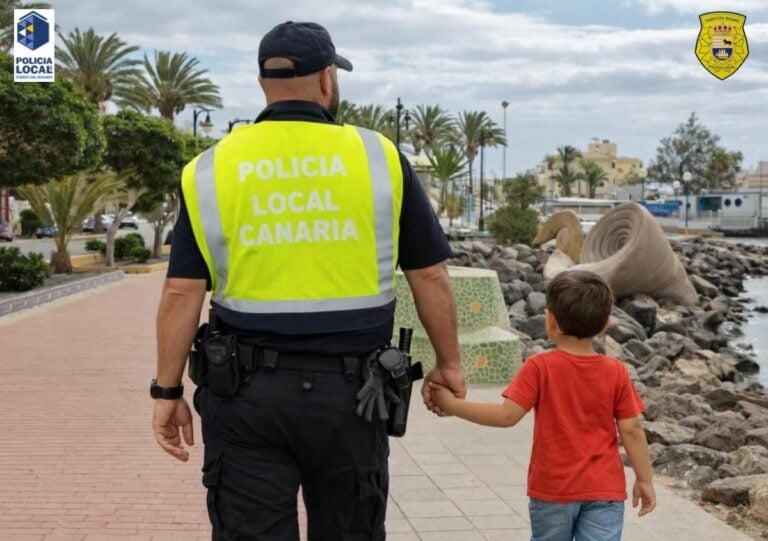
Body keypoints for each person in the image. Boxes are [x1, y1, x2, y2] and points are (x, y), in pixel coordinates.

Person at [150, 20, 466, 540]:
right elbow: (429, 276)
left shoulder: (210, 169)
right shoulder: (379, 158)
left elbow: (181, 291)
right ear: (326, 79)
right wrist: (449, 365)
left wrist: (166, 392)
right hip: (352, 399)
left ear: (263, 84)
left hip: (244, 398)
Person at [431, 270, 655, 541]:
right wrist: (644, 480)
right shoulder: (616, 371)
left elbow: (505, 416)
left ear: (551, 321)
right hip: (604, 489)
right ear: (606, 324)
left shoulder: (540, 366)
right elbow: (632, 429)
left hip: (553, 490)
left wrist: (452, 405)